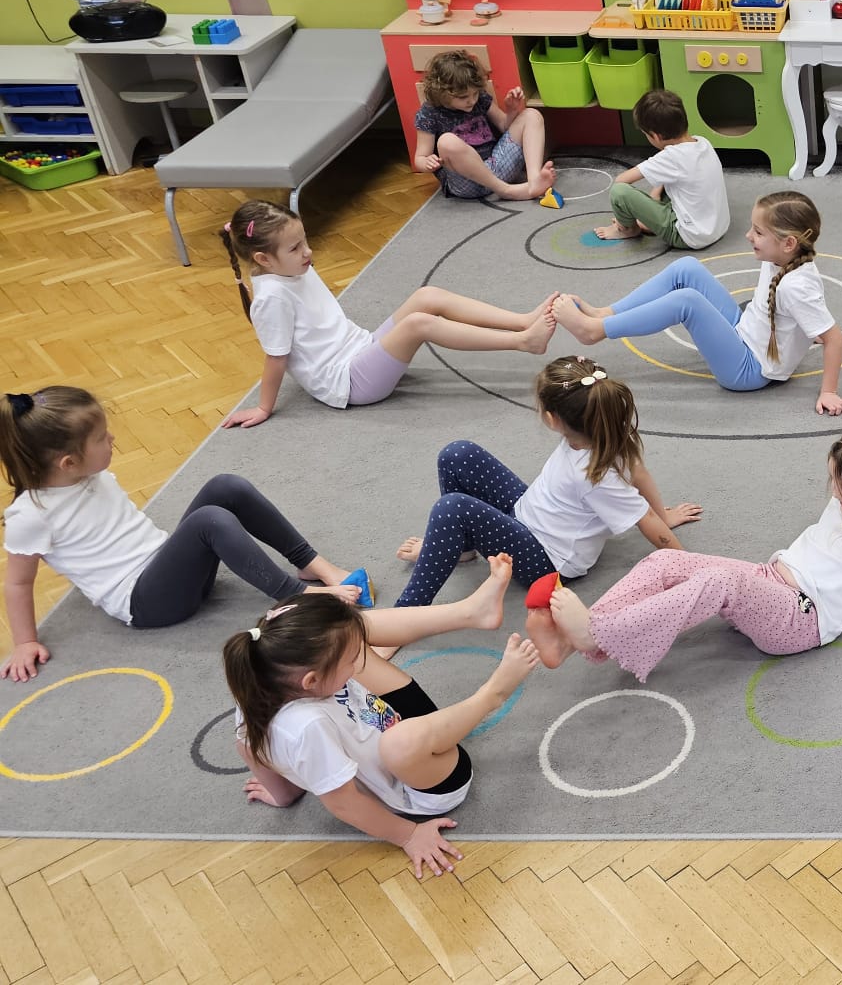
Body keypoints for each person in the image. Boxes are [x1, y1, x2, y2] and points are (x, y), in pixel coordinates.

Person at [523, 423, 842, 682]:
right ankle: (571, 641)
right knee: (664, 561)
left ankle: (595, 635)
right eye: (835, 484)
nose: (835, 495)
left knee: (718, 582)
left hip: (802, 618)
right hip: (770, 578)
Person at [2, 386, 361, 681]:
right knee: (209, 520)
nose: (112, 438)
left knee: (225, 486)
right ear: (69, 463)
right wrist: (25, 642)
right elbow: (17, 583)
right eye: (100, 438)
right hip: (146, 602)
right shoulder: (31, 515)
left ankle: (310, 563)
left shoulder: (87, 472)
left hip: (169, 570)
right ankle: (296, 597)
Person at [224, 555, 540, 877]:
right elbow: (343, 804)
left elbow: (246, 744)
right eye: (349, 663)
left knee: (345, 634)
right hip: (423, 788)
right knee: (397, 740)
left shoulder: (258, 681)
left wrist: (283, 792)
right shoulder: (307, 728)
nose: (358, 662)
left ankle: (473, 611)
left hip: (388, 722)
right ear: (311, 681)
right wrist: (409, 835)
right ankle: (492, 694)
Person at [216, 200, 558, 425]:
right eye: (295, 248)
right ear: (263, 259)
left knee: (427, 296)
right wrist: (264, 407)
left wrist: (295, 253)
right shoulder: (271, 298)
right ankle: (524, 342)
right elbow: (276, 357)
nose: (308, 252)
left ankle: (522, 321)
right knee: (418, 324)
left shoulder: (291, 267)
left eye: (305, 240)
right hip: (348, 382)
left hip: (360, 349)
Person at [394, 357, 700, 607]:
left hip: (546, 561)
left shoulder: (593, 474)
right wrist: (665, 516)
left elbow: (644, 518)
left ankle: (406, 614)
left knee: (452, 508)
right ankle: (460, 549)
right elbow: (639, 473)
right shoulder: (608, 432)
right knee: (457, 454)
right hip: (529, 514)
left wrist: (691, 569)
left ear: (552, 419)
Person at [555, 191, 842, 416]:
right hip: (745, 332)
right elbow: (803, 309)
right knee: (686, 268)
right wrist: (806, 329)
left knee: (687, 302)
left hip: (749, 370)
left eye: (758, 232)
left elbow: (834, 338)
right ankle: (606, 314)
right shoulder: (784, 257)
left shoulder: (795, 285)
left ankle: (595, 331)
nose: (748, 235)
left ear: (789, 243)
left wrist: (828, 391)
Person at [591, 88, 729, 246]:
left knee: (619, 192)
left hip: (689, 236)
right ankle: (650, 222)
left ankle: (627, 229)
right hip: (718, 227)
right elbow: (673, 171)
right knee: (671, 183)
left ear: (656, 136)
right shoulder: (702, 142)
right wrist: (655, 194)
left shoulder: (670, 157)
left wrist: (629, 215)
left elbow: (621, 180)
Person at [412, 49, 555, 202]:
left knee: (532, 115)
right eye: (463, 97)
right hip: (466, 181)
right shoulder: (429, 112)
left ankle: (534, 181)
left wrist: (512, 110)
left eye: (475, 94)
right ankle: (507, 191)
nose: (472, 100)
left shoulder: (480, 99)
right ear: (442, 93)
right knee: (446, 141)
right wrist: (427, 163)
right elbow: (420, 158)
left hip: (497, 166)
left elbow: (504, 127)